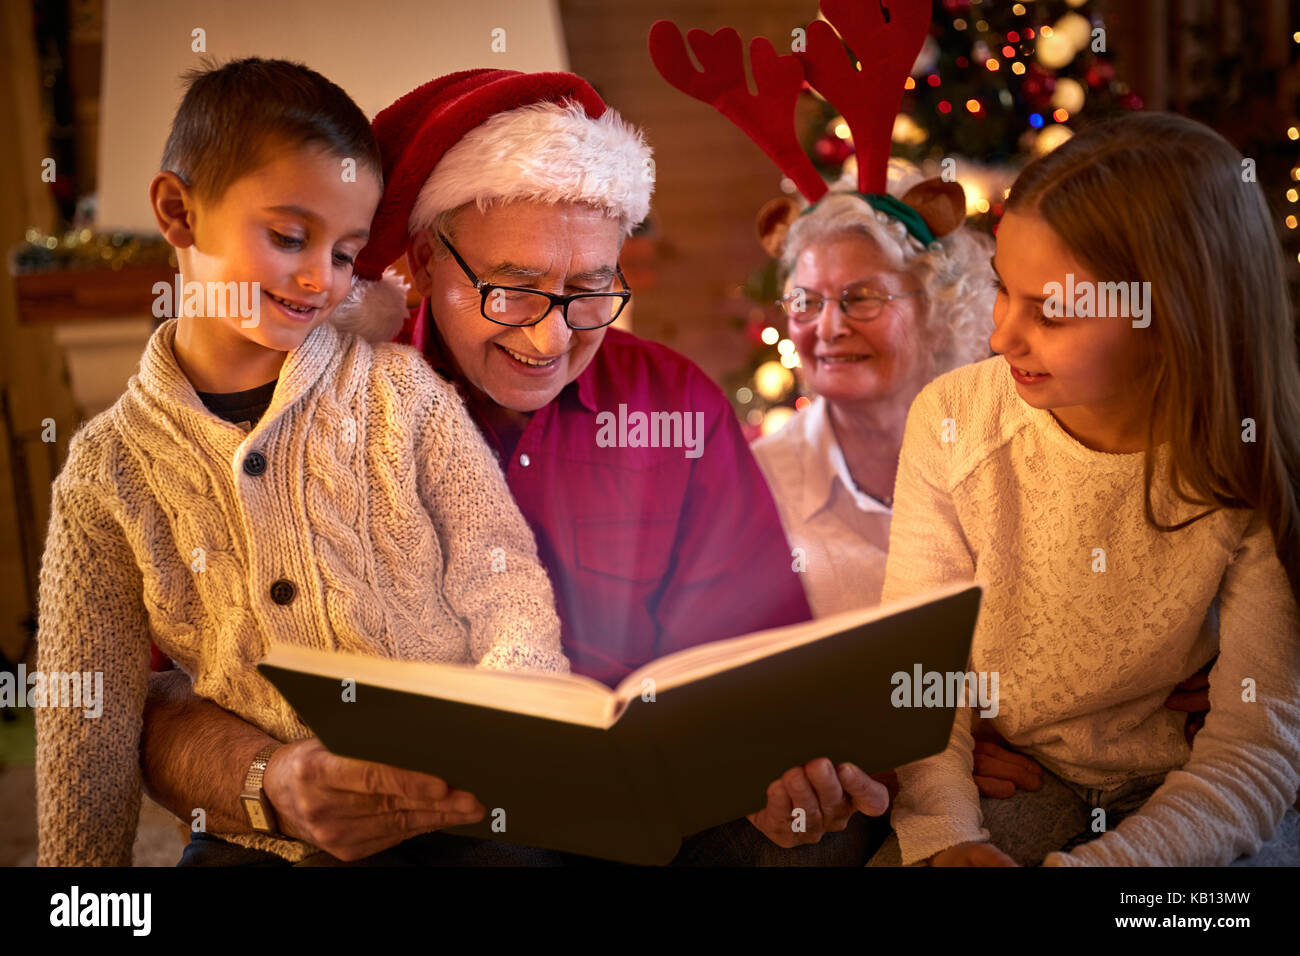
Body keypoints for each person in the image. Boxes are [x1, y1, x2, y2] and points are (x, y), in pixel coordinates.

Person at [139, 69, 871, 866]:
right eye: (511, 291)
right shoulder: (295, 401)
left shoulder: (671, 403)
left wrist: (776, 759)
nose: (551, 341)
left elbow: (759, 653)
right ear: (421, 262)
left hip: (620, 819)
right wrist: (272, 782)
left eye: (591, 290)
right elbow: (154, 691)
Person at [34, 58, 567, 867]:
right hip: (260, 836)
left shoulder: (402, 394)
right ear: (179, 211)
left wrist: (514, 702)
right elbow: (89, 718)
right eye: (289, 237)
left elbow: (501, 575)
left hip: (455, 811)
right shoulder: (105, 472)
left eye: (348, 252)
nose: (321, 278)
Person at [871, 111, 1300, 867]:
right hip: (1016, 776)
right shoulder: (955, 419)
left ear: (1173, 319)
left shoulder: (1251, 466)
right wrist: (945, 829)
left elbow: (1255, 747)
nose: (1001, 337)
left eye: (1054, 312)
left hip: (1188, 799)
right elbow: (919, 663)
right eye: (1005, 289)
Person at [752, 181, 995, 617]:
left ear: (938, 313)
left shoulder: (1000, 449)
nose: (827, 329)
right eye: (805, 301)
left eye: (861, 298)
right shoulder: (758, 485)